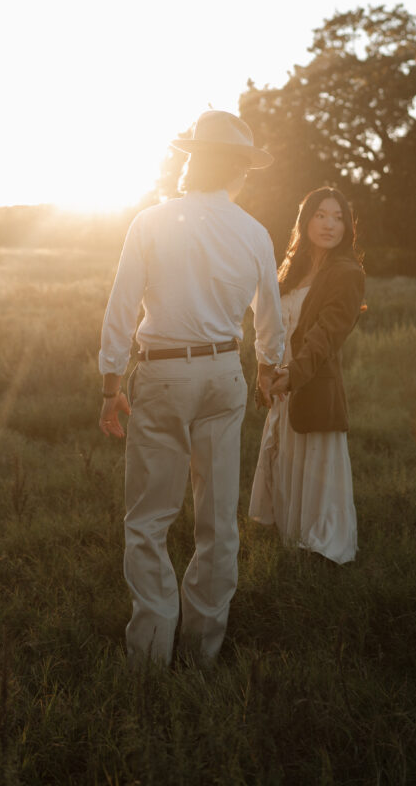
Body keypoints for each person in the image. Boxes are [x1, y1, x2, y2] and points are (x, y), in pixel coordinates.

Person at [98, 110, 284, 668]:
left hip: (162, 373)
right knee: (217, 518)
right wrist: (267, 369)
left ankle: (151, 652)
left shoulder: (151, 221)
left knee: (150, 517)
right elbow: (271, 319)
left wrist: (111, 383)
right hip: (225, 374)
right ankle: (202, 650)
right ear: (239, 171)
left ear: (190, 161)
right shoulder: (254, 231)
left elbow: (121, 305)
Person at [248, 187, 365, 565]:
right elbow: (268, 328)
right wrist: (265, 372)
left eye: (338, 217)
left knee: (314, 471)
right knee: (284, 462)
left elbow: (327, 334)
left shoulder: (347, 273)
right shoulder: (291, 270)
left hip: (310, 383)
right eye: (321, 215)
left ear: (347, 226)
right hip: (283, 385)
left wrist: (293, 374)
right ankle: (289, 536)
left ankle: (319, 550)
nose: (330, 224)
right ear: (306, 220)